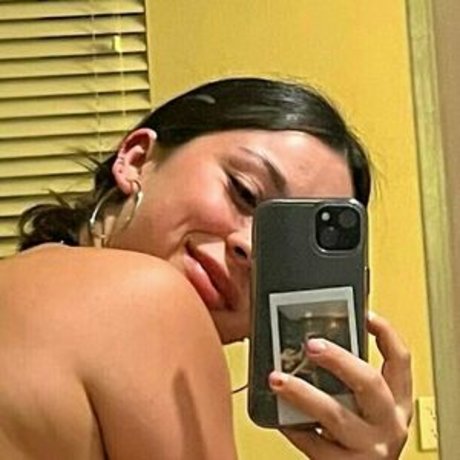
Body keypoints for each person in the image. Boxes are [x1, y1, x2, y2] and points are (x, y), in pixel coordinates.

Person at [0, 77, 412, 459]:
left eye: (284, 248)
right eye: (244, 191)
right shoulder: (148, 296)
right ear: (137, 158)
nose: (250, 248)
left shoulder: (27, 280)